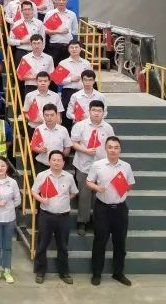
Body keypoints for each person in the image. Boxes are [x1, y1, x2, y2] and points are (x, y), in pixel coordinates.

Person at [87, 136, 135, 286]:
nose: (113, 150)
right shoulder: (97, 165)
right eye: (110, 147)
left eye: (116, 147)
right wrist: (97, 188)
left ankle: (118, 273)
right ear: (105, 149)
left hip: (120, 209)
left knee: (120, 242)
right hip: (102, 208)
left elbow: (131, 185)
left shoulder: (126, 166)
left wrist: (122, 186)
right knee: (99, 242)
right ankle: (96, 274)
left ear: (120, 150)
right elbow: (89, 181)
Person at [31, 150, 78, 284]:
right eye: (54, 160)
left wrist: (64, 200)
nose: (57, 162)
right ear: (49, 161)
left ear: (63, 163)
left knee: (63, 246)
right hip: (46, 215)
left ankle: (64, 272)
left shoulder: (69, 177)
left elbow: (74, 192)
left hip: (63, 217)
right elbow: (34, 191)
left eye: (59, 160)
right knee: (42, 245)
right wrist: (41, 199)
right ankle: (40, 271)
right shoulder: (42, 175)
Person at [72, 99, 116, 235]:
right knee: (84, 195)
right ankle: (82, 222)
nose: (96, 113)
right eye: (94, 110)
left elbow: (112, 145)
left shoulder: (108, 128)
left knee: (100, 195)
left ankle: (98, 221)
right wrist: (85, 150)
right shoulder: (80, 125)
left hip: (102, 167)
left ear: (103, 112)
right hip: (83, 165)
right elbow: (74, 143)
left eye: (99, 111)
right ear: (89, 111)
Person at [9, 9, 49, 88]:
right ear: (22, 11)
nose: (27, 11)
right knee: (21, 76)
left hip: (36, 53)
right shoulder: (17, 23)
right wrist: (21, 41)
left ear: (32, 11)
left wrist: (40, 52)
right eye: (25, 9)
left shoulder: (39, 23)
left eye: (29, 9)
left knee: (38, 74)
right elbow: (10, 40)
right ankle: (20, 95)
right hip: (21, 51)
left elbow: (43, 40)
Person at [31, 103, 72, 175]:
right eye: (46, 115)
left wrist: (60, 157)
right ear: (43, 116)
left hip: (58, 166)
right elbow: (33, 146)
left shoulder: (63, 130)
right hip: (42, 165)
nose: (49, 117)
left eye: (52, 115)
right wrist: (39, 150)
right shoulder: (38, 129)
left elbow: (67, 147)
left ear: (56, 115)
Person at [57, 40, 91, 112]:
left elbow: (91, 79)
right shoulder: (63, 63)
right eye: (72, 47)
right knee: (67, 115)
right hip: (68, 92)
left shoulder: (86, 63)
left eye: (76, 47)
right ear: (68, 49)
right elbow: (58, 81)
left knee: (83, 115)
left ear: (80, 49)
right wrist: (70, 79)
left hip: (83, 92)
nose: (74, 49)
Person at [47, 0, 79, 65]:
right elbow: (45, 30)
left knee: (68, 68)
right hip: (54, 46)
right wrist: (58, 32)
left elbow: (75, 31)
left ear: (67, 1)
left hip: (67, 46)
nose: (61, 2)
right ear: (56, 0)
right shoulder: (50, 14)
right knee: (54, 68)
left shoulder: (72, 14)